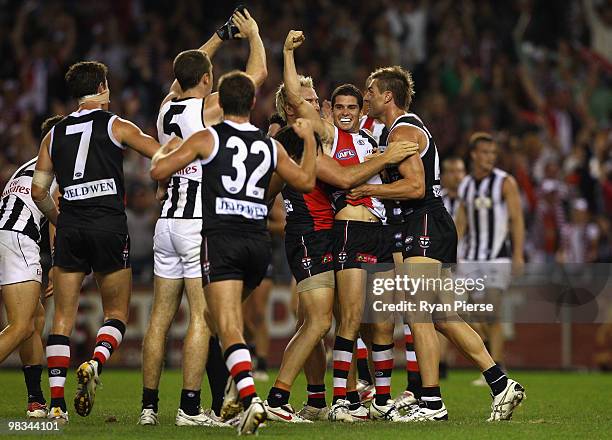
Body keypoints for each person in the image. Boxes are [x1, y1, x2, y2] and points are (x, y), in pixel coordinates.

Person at [350, 65, 525, 421]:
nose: (364, 95)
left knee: (419, 315)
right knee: (444, 316)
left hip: (425, 221)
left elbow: (415, 187)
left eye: (370, 90)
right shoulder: (396, 130)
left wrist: (370, 188)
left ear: (387, 96)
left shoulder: (403, 129)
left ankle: (431, 403)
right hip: (431, 221)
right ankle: (500, 384)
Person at [150, 70, 318, 435]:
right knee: (222, 322)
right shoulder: (269, 145)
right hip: (258, 245)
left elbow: (159, 168)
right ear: (253, 103)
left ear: (220, 103)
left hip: (221, 240)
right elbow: (305, 182)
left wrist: (167, 145)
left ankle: (249, 398)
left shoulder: (206, 138)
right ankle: (236, 386)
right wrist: (310, 143)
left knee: (226, 325)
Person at [281, 31, 419, 423]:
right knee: (351, 318)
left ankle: (381, 399)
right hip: (347, 231)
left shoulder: (375, 138)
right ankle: (342, 399)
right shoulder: (329, 135)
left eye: (352, 106)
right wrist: (288, 54)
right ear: (330, 109)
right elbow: (294, 98)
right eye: (338, 106)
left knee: (382, 324)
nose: (345, 112)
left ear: (363, 111)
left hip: (378, 230)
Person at [140, 7, 266, 427]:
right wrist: (249, 36)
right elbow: (254, 79)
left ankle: (147, 408)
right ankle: (190, 410)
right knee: (202, 318)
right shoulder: (207, 112)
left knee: (159, 319)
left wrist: (216, 36)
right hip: (197, 221)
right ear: (210, 81)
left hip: (166, 222)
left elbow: (188, 68)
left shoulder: (165, 107)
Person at [31, 61, 161, 423]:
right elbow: (159, 154)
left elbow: (39, 190)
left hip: (71, 227)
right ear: (103, 86)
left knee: (62, 319)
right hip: (107, 225)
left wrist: (62, 218)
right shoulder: (117, 124)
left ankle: (56, 405)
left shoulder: (52, 134)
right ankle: (95, 360)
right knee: (117, 313)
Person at [0, 115, 62, 418]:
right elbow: (55, 219)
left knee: (33, 322)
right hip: (19, 240)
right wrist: (56, 265)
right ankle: (37, 400)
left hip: (6, 237)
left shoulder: (24, 167)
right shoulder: (56, 170)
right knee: (22, 325)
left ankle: (36, 400)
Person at [454, 133, 525, 386]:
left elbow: (516, 218)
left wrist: (518, 253)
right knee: (469, 310)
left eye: (493, 153)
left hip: (497, 256)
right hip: (471, 256)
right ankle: (492, 358)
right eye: (485, 153)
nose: (489, 158)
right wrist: (452, 251)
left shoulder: (505, 182)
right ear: (474, 154)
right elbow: (461, 222)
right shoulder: (466, 185)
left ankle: (497, 366)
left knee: (492, 308)